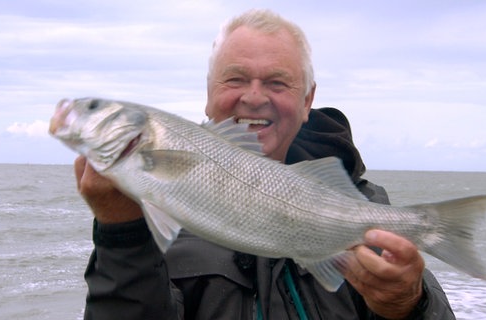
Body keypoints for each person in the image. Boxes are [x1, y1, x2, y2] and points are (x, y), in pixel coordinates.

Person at [74, 9, 456, 319]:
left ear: (307, 100)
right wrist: (121, 233)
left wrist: (409, 304)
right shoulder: (153, 215)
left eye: (277, 83)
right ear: (209, 95)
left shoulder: (361, 206)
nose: (254, 98)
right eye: (235, 79)